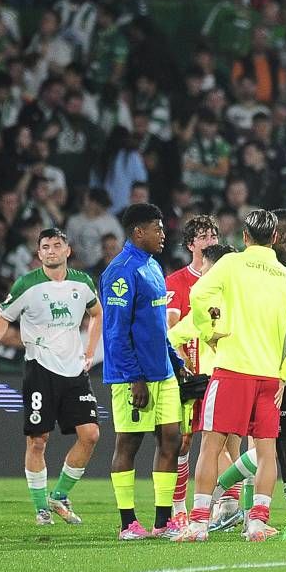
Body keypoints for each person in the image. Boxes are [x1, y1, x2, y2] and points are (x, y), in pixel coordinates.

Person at [174, 209, 286, 542]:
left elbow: (198, 294)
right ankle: (257, 522)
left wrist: (212, 329)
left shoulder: (231, 264)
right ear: (276, 238)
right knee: (266, 451)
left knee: (211, 446)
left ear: (245, 237)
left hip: (232, 370)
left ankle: (197, 524)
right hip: (268, 377)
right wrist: (283, 374)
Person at [206, 208, 286, 540]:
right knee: (266, 444)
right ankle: (245, 511)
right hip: (266, 370)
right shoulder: (271, 272)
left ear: (284, 236)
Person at [0, 228, 102, 526]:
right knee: (38, 440)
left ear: (67, 250)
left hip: (74, 370)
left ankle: (59, 496)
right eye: (45, 247)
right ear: (39, 253)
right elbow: (4, 318)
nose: (51, 251)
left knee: (91, 434)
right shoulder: (27, 284)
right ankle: (40, 507)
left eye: (56, 245)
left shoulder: (82, 283)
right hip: (40, 370)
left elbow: (97, 313)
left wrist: (90, 351)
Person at [100, 204, 185, 540]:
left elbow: (156, 326)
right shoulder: (120, 271)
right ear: (138, 232)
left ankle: (162, 522)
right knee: (129, 443)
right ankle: (128, 524)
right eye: (157, 228)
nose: (163, 235)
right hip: (132, 377)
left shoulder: (151, 266)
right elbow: (115, 333)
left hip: (162, 372)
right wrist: (135, 377)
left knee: (172, 440)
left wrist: (175, 362)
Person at [164, 214, 220, 523]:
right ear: (190, 245)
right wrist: (185, 367)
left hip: (222, 370)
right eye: (203, 236)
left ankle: (224, 507)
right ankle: (179, 508)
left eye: (213, 235)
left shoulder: (226, 279)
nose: (210, 241)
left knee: (222, 439)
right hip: (188, 372)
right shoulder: (177, 282)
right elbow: (173, 327)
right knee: (184, 439)